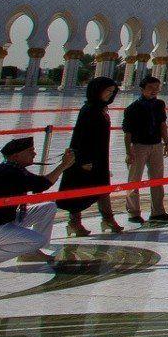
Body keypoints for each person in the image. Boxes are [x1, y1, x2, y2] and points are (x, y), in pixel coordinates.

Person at [0, 137, 74, 268]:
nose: (34, 154)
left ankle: (30, 252)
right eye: (30, 151)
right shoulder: (8, 172)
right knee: (39, 240)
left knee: (48, 207)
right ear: (16, 155)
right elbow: (41, 185)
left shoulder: (13, 169)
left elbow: (39, 183)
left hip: (6, 218)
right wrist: (63, 165)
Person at [58, 76, 124, 238]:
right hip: (85, 158)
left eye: (112, 92)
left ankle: (107, 219)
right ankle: (74, 223)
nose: (109, 95)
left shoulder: (100, 108)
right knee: (79, 189)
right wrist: (83, 160)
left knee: (103, 188)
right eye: (107, 91)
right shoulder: (89, 109)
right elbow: (81, 137)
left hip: (99, 156)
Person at [120, 74, 168, 224]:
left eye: (157, 88)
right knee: (134, 180)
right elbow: (127, 132)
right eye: (150, 88)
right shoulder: (133, 108)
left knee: (157, 179)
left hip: (156, 145)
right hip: (139, 146)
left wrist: (166, 143)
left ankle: (158, 211)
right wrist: (128, 151)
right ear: (142, 89)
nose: (154, 91)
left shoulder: (159, 104)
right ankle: (133, 212)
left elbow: (162, 124)